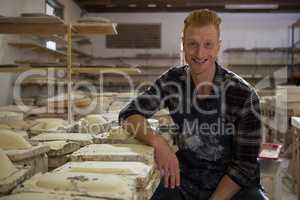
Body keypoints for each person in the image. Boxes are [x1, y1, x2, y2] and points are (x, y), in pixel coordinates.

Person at [119, 9, 268, 200]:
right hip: (186, 180)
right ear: (183, 45)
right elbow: (129, 113)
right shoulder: (173, 81)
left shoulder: (243, 94)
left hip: (234, 188)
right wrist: (158, 142)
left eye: (208, 45)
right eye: (193, 44)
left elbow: (244, 167)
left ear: (218, 47)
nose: (199, 53)